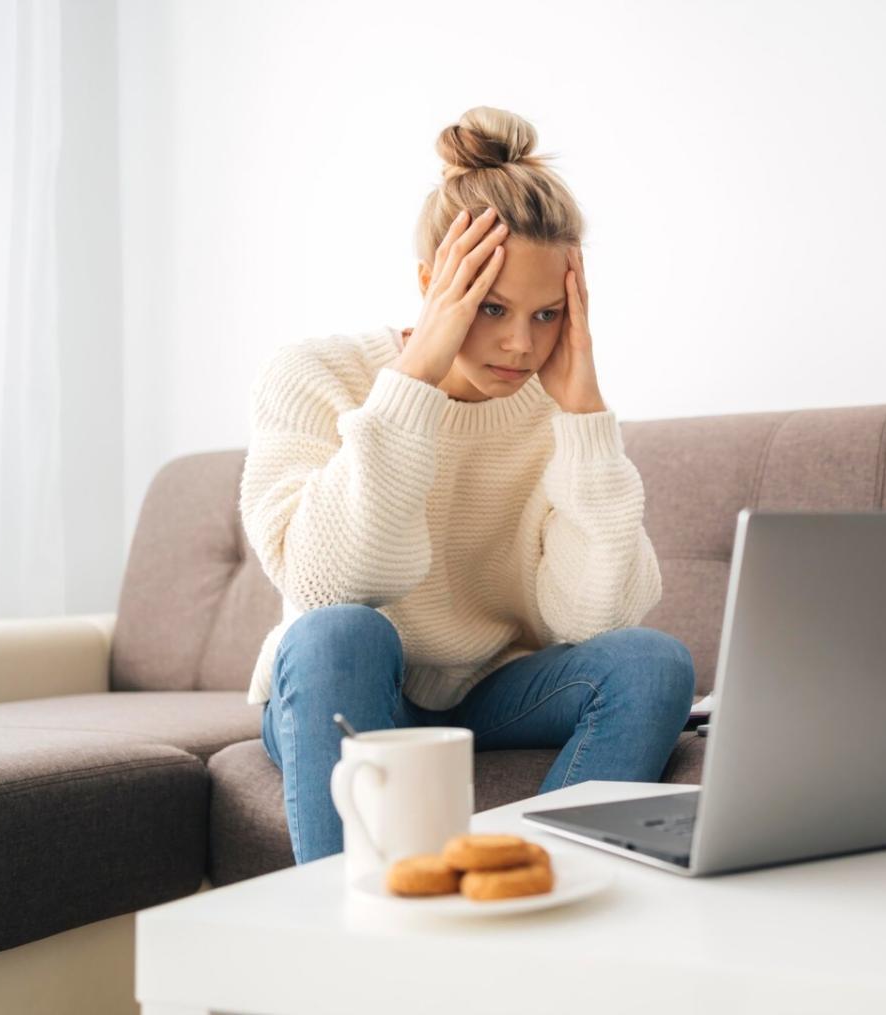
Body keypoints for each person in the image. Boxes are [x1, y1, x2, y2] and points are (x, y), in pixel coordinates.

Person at [238, 105, 696, 864]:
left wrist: (583, 416)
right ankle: (347, 925)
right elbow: (328, 585)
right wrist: (412, 382)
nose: (521, 344)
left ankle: (533, 886)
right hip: (345, 684)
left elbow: (597, 617)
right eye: (491, 308)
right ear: (431, 285)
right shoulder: (315, 374)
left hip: (494, 693)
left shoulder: (554, 409)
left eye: (547, 314)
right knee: (340, 632)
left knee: (653, 661)